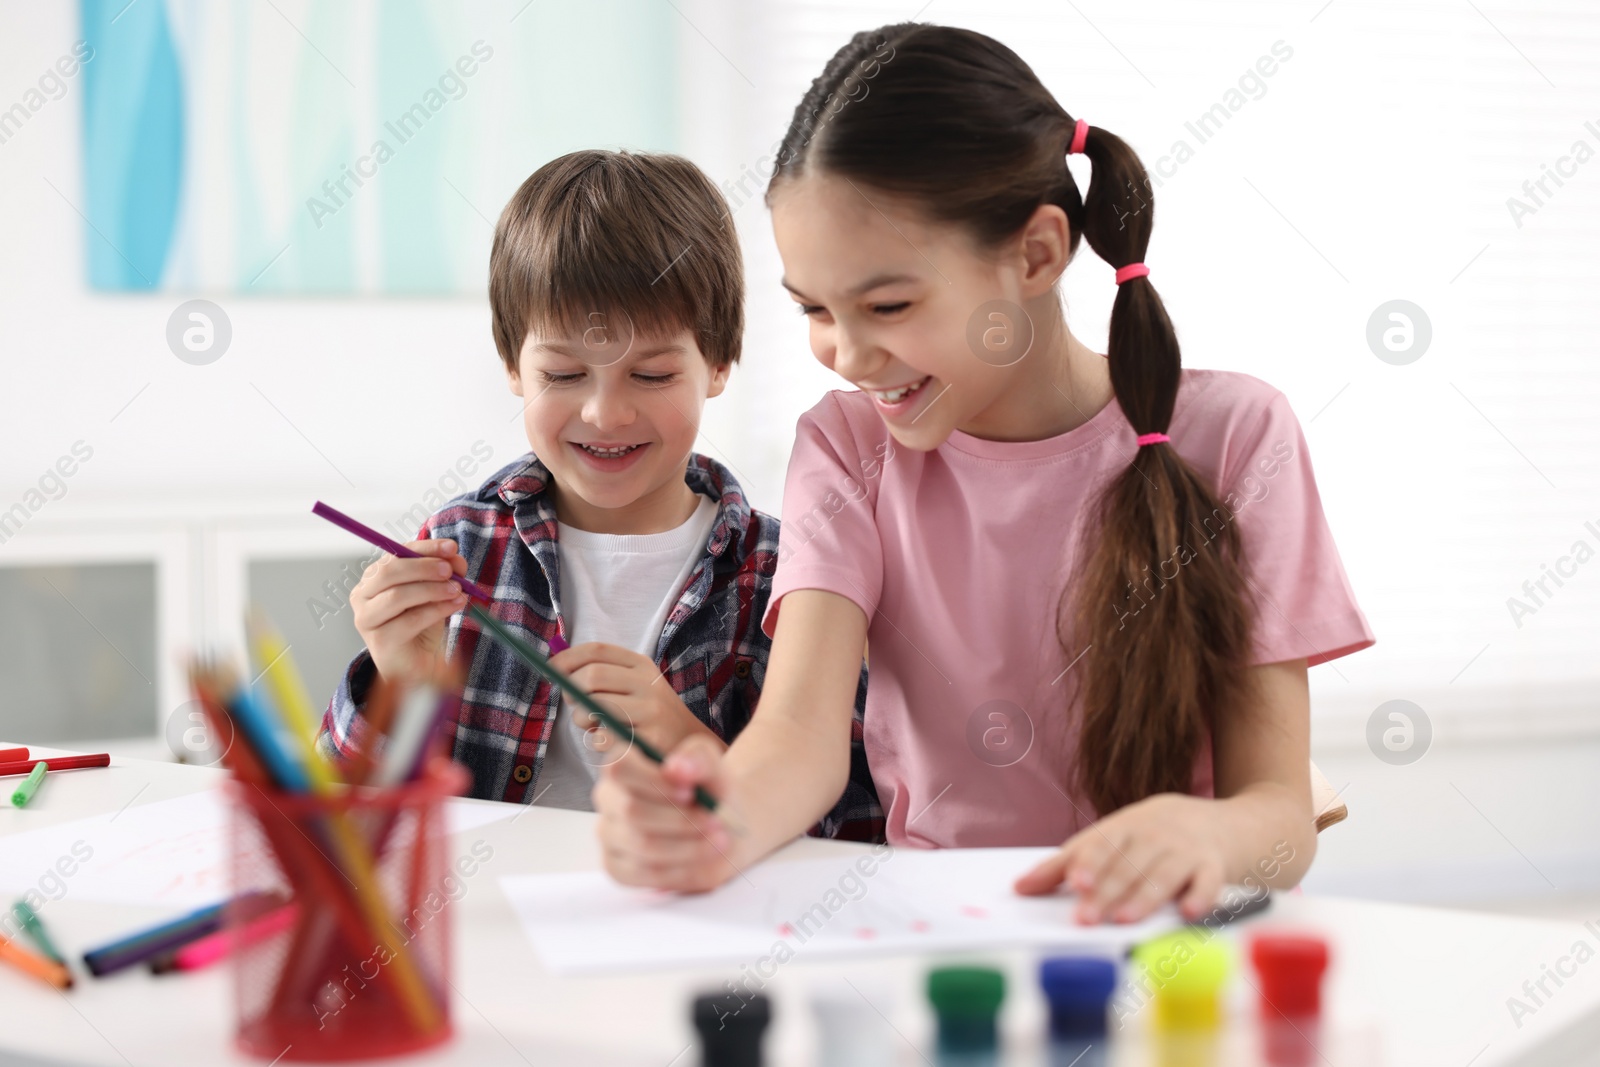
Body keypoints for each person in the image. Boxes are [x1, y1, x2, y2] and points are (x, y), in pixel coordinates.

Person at [592, 24, 1375, 922]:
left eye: (889, 304)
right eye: (815, 308)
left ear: (1037, 254)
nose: (846, 353)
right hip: (946, 936)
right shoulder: (847, 448)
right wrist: (707, 826)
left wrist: (1203, 837)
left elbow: (1281, 822)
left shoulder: (1238, 436)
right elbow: (798, 742)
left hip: (1184, 946)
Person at [318, 149, 881, 840]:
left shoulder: (782, 574)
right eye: (563, 374)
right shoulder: (460, 548)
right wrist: (395, 687)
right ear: (512, 366)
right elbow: (349, 824)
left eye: (649, 375)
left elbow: (853, 834)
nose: (605, 414)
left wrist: (688, 745)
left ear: (719, 363)